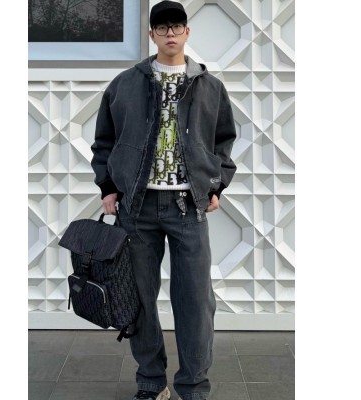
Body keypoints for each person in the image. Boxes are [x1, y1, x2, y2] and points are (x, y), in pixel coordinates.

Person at [91, 1, 237, 399]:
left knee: (195, 303)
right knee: (138, 299)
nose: (170, 33)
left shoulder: (209, 86)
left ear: (187, 32)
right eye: (162, 27)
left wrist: (215, 185)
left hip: (188, 208)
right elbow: (105, 141)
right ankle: (152, 382)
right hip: (137, 209)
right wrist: (108, 186)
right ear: (152, 34)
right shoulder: (125, 84)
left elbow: (223, 142)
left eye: (176, 26)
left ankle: (193, 387)